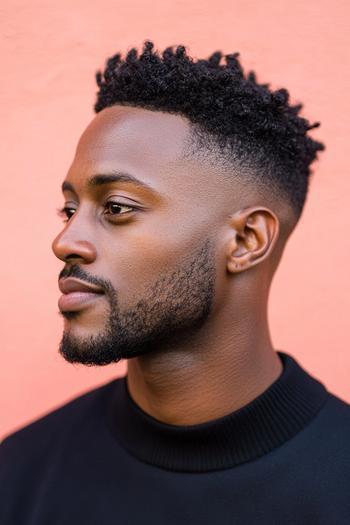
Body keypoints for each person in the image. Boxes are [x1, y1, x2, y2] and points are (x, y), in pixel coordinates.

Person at [1, 40, 349, 524]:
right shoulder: (18, 476)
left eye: (117, 208)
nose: (66, 241)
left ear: (248, 240)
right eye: (69, 209)